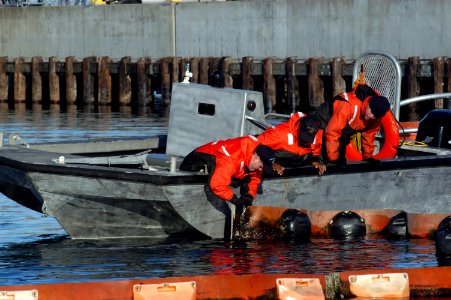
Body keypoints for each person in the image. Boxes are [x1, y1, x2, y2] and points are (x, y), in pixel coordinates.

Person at [315, 83, 391, 166]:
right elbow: (332, 131)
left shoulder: (375, 117)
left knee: (341, 158)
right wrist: (333, 159)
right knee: (322, 157)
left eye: (375, 115)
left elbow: (369, 135)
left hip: (342, 130)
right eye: (371, 112)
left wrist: (368, 157)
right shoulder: (349, 106)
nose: (371, 116)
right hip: (324, 120)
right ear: (368, 103)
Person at [179, 135, 266, 207]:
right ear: (256, 158)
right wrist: (234, 199)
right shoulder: (230, 160)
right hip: (195, 161)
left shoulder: (256, 158)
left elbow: (254, 179)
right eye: (260, 167)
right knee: (216, 181)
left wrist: (249, 197)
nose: (260, 170)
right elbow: (217, 185)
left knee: (246, 179)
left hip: (225, 163)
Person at [257, 113, 326, 175]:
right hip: (279, 165)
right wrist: (270, 163)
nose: (305, 141)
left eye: (308, 139)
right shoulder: (280, 134)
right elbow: (257, 144)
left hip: (300, 165)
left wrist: (314, 161)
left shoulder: (317, 135)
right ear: (298, 127)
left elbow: (316, 148)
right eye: (303, 137)